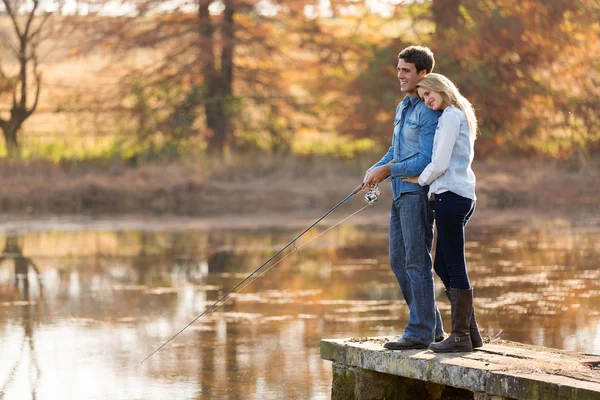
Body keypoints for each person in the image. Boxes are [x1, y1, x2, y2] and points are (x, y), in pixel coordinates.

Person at [362, 46, 445, 350]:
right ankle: (432, 326)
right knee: (399, 261)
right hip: (399, 194)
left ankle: (419, 331)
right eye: (398, 68)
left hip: (417, 195)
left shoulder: (428, 109)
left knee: (416, 262)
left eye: (406, 70)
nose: (400, 74)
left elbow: (425, 159)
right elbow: (396, 150)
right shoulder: (403, 107)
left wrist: (388, 169)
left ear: (424, 73)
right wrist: (376, 168)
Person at [402, 73, 482, 352]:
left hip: (452, 196)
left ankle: (461, 336)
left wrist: (419, 179)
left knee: (454, 265)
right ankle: (470, 332)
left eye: (428, 94)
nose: (427, 100)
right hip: (454, 196)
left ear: (440, 88)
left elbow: (440, 161)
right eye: (423, 97)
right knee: (441, 266)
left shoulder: (450, 115)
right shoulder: (456, 114)